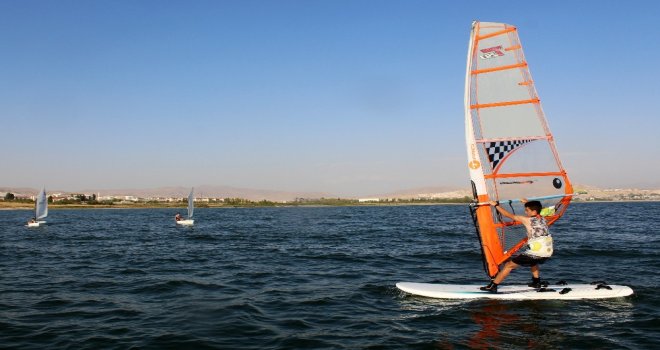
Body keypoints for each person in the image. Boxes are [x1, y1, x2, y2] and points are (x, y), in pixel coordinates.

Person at [480, 199, 553, 293]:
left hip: (537, 252)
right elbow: (538, 208)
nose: (525, 212)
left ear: (534, 211)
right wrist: (527, 202)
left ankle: (493, 286)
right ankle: (536, 282)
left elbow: (508, 215)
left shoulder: (526, 219)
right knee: (534, 262)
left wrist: (496, 205)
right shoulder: (543, 217)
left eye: (527, 210)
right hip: (548, 251)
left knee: (508, 265)